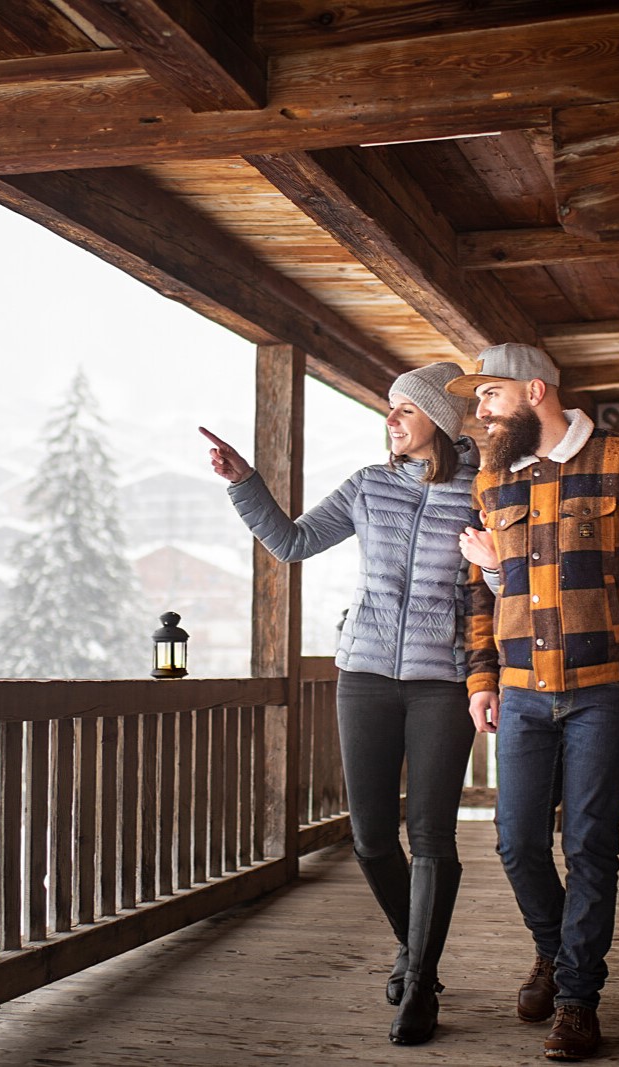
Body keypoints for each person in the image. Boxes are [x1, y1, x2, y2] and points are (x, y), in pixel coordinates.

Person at [199, 361, 492, 1046]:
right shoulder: (367, 487)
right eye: (388, 409)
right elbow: (291, 541)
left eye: (404, 410)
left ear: (439, 424)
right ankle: (416, 948)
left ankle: (419, 983)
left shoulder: (481, 494)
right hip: (363, 673)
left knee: (431, 837)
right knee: (367, 837)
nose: (390, 419)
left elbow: (501, 586)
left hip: (441, 682)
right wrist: (245, 483)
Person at [447, 343, 619, 1061]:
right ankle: (555, 950)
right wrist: (480, 680)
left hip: (605, 691)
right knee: (514, 839)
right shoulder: (492, 480)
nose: (481, 411)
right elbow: (477, 592)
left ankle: (575, 1000)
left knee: (589, 843)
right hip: (522, 692)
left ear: (535, 391)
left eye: (490, 396)